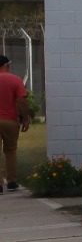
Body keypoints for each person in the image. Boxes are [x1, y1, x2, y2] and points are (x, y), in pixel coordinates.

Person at [0, 54, 31, 193]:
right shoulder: (15, 79)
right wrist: (25, 119)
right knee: (11, 151)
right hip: (10, 120)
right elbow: (22, 101)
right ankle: (11, 182)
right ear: (7, 65)